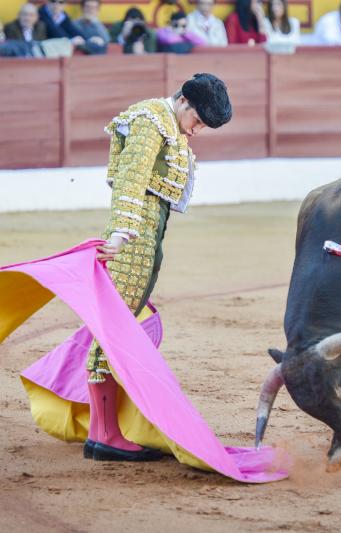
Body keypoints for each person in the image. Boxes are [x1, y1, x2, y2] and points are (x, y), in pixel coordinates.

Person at [86, 73, 232, 462]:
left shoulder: (167, 125)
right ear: (184, 100)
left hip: (148, 236)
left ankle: (103, 432)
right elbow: (130, 181)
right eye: (198, 121)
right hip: (132, 240)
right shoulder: (151, 120)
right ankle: (104, 436)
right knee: (114, 329)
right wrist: (120, 234)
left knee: (120, 325)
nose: (197, 131)